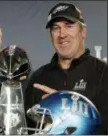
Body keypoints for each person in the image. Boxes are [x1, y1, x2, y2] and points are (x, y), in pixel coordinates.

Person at [25, 2, 108, 134]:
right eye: (56, 28)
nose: (62, 34)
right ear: (51, 35)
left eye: (68, 26)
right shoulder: (38, 77)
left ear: (83, 31)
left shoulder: (103, 72)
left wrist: (64, 106)